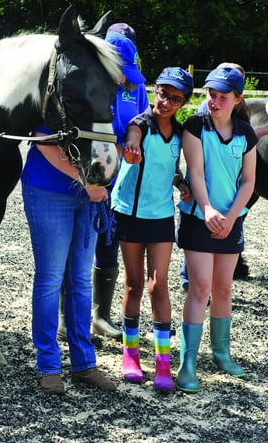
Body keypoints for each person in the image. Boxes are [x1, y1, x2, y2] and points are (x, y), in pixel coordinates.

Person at [112, 66, 193, 393]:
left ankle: (162, 361)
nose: (166, 102)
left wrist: (181, 182)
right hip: (130, 213)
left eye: (175, 98)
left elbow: (170, 167)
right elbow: (132, 142)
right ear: (154, 90)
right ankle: (130, 354)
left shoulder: (181, 133)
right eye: (163, 93)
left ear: (183, 102)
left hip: (160, 215)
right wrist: (131, 150)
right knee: (133, 284)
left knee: (158, 285)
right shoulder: (139, 125)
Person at [176, 66, 257, 393]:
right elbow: (195, 172)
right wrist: (208, 210)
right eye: (211, 94)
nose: (214, 101)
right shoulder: (195, 127)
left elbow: (249, 181)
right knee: (200, 288)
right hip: (199, 218)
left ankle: (222, 352)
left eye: (223, 96)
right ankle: (188, 361)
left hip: (230, 222)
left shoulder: (246, 133)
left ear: (237, 99)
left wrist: (232, 216)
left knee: (224, 289)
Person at [21, 122, 117, 396]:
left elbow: (116, 139)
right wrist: (87, 180)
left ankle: (84, 363)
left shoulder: (119, 95)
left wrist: (103, 177)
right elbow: (43, 137)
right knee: (51, 278)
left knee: (81, 279)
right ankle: (48, 365)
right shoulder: (65, 81)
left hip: (91, 192)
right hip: (49, 187)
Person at [89, 24, 149, 340]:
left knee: (109, 239)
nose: (125, 78)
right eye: (121, 71)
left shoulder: (134, 87)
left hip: (119, 175)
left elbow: (143, 120)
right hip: (88, 172)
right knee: (78, 243)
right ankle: (64, 316)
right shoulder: (91, 83)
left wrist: (134, 139)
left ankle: (101, 315)